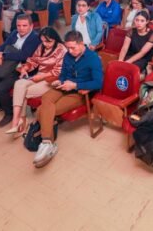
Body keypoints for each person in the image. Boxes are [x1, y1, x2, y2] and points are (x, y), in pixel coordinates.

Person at [34, 30, 103, 168]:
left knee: (44, 109)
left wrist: (76, 85)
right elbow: (63, 74)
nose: (70, 51)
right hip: (64, 86)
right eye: (68, 48)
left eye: (73, 47)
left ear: (81, 43)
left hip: (79, 92)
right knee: (46, 98)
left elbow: (98, 83)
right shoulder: (68, 55)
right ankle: (48, 143)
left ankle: (46, 142)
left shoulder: (93, 58)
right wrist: (59, 81)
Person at [0, 15, 41, 127]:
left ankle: (9, 113)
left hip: (20, 69)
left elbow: (24, 55)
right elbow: (3, 45)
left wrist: (4, 56)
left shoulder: (35, 38)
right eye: (19, 25)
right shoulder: (15, 33)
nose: (21, 28)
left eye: (24, 25)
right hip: (5, 66)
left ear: (31, 26)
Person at [6, 27, 67, 137]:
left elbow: (59, 71)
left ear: (55, 39)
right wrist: (26, 67)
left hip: (50, 80)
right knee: (19, 84)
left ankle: (21, 121)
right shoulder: (41, 47)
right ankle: (17, 120)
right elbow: (33, 60)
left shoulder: (61, 49)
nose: (45, 44)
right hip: (39, 76)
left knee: (23, 91)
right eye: (43, 41)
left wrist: (42, 76)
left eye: (48, 41)